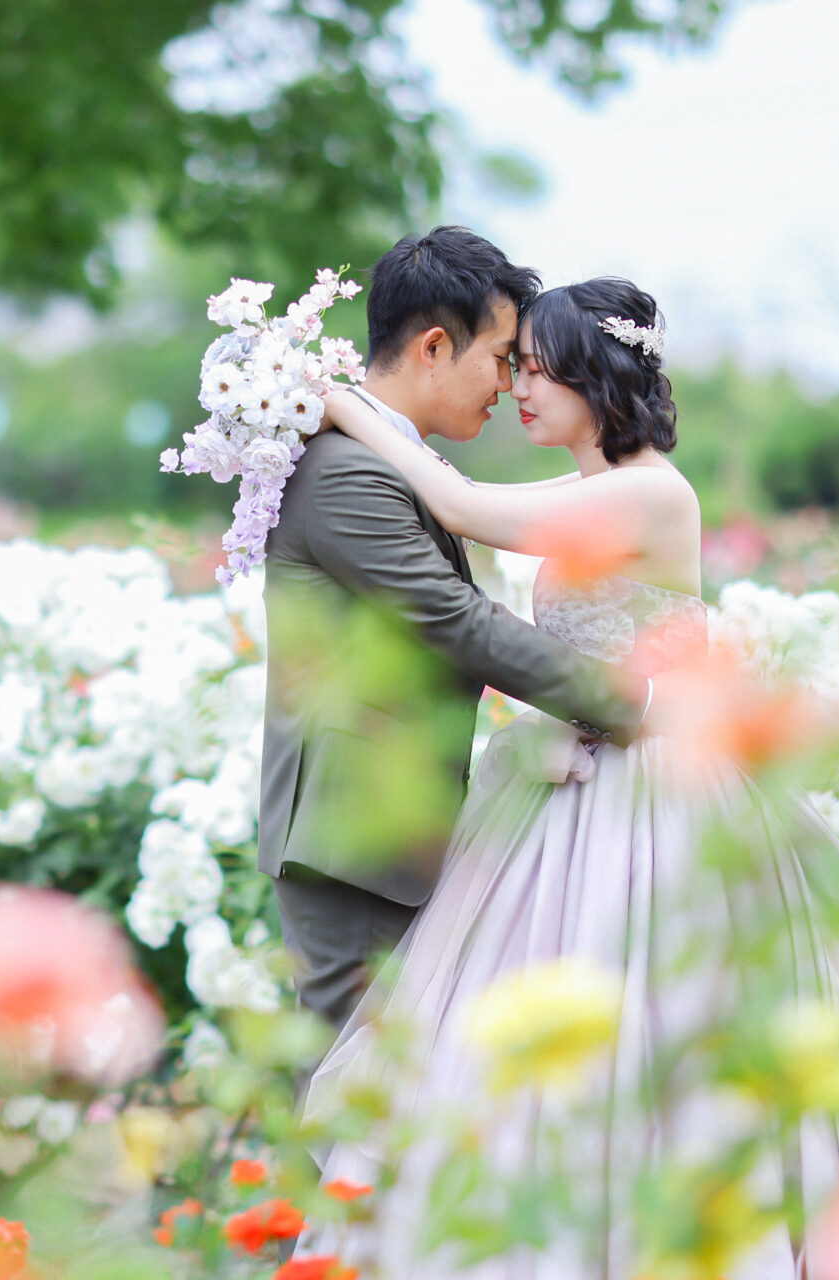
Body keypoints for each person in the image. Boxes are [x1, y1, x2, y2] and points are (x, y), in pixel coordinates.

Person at [298, 278, 839, 1278]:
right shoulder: (583, 490)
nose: (521, 386)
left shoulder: (653, 490)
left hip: (664, 795)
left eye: (541, 365)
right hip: (571, 783)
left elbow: (467, 508)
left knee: (660, 1024)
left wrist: (343, 404)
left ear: (598, 372)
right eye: (515, 365)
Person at [259, 228, 652, 1032]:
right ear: (436, 347)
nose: (509, 385)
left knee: (395, 1094)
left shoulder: (385, 461)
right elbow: (454, 622)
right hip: (356, 843)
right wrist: (637, 702)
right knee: (344, 1090)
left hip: (399, 834)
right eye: (504, 358)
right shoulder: (346, 474)